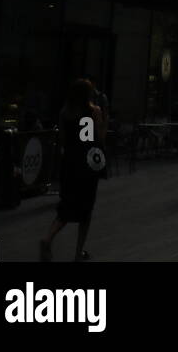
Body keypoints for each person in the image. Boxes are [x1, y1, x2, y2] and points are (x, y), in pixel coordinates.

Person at [39, 79, 107, 262]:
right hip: (87, 165)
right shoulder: (95, 111)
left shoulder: (65, 113)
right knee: (86, 209)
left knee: (66, 206)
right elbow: (99, 137)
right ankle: (79, 252)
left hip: (69, 163)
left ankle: (48, 238)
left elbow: (62, 138)